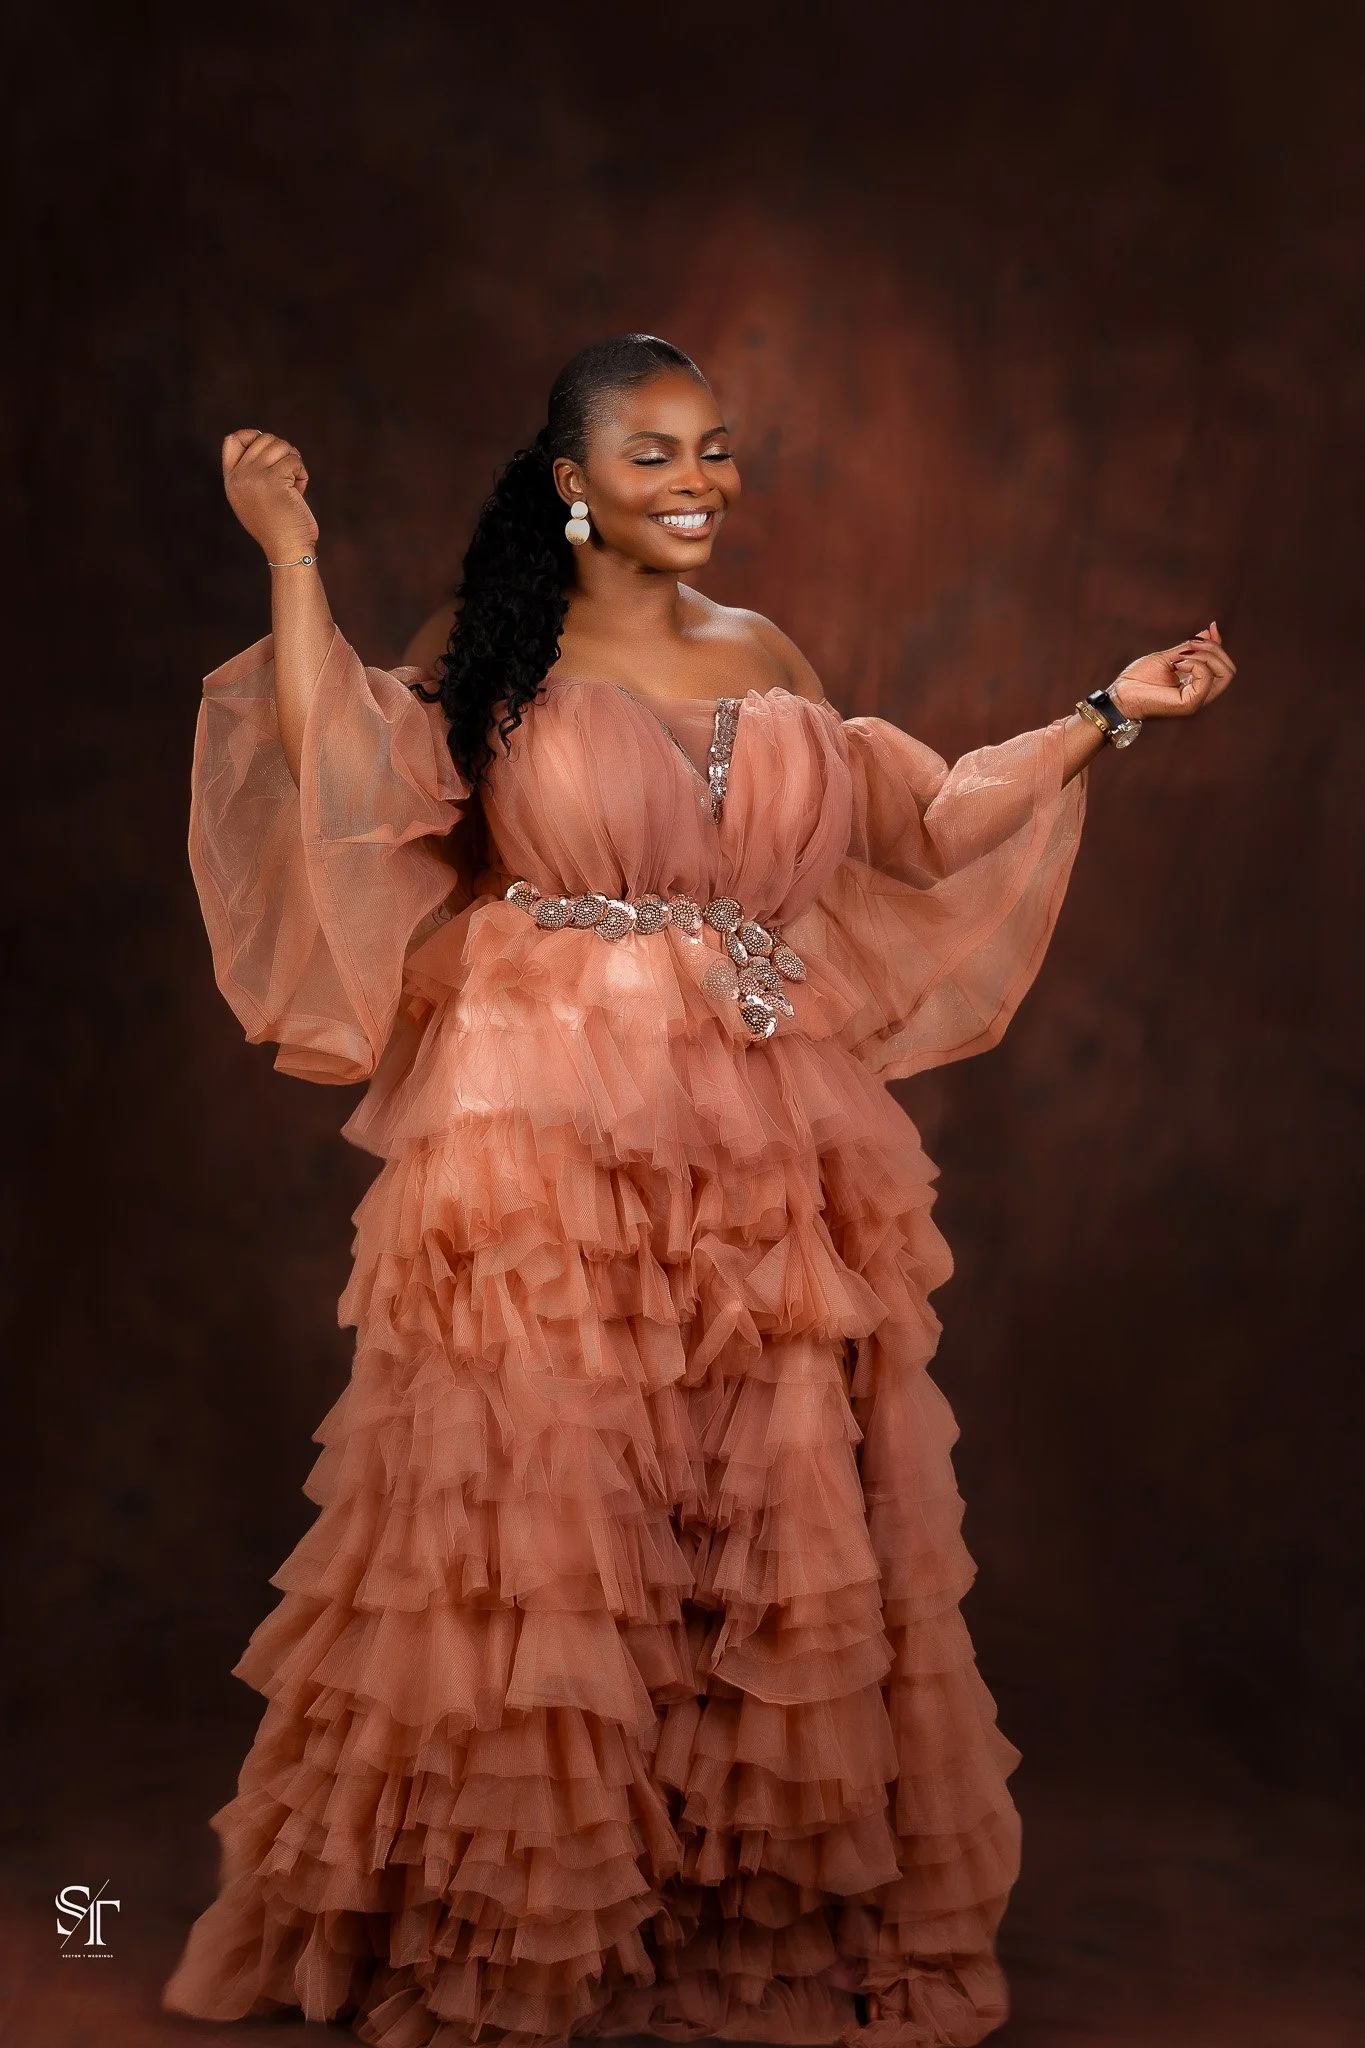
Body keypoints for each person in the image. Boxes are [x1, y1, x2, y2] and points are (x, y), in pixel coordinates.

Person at [161, 334, 1235, 2048]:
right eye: (657, 455)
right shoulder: (498, 653)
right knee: (550, 1523)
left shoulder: (767, 653)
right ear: (573, 483)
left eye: (718, 451)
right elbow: (347, 778)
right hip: (544, 1138)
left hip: (765, 1136)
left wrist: (1114, 710)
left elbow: (934, 824)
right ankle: (520, 1918)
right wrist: (290, 554)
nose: (703, 485)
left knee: (763, 1518)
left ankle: (724, 1911)